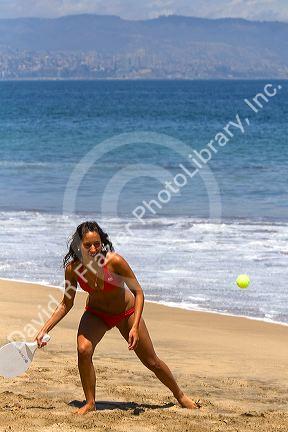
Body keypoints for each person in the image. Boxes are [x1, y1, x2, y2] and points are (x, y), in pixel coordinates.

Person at [36, 221, 200, 414]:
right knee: (83, 349)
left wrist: (135, 327)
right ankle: (90, 402)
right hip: (97, 314)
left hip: (126, 313)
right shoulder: (74, 269)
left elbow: (138, 292)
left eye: (97, 243)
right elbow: (66, 303)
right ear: (78, 245)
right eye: (87, 245)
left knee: (151, 361)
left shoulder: (114, 262)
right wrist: (44, 329)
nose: (93, 248)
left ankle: (180, 395)